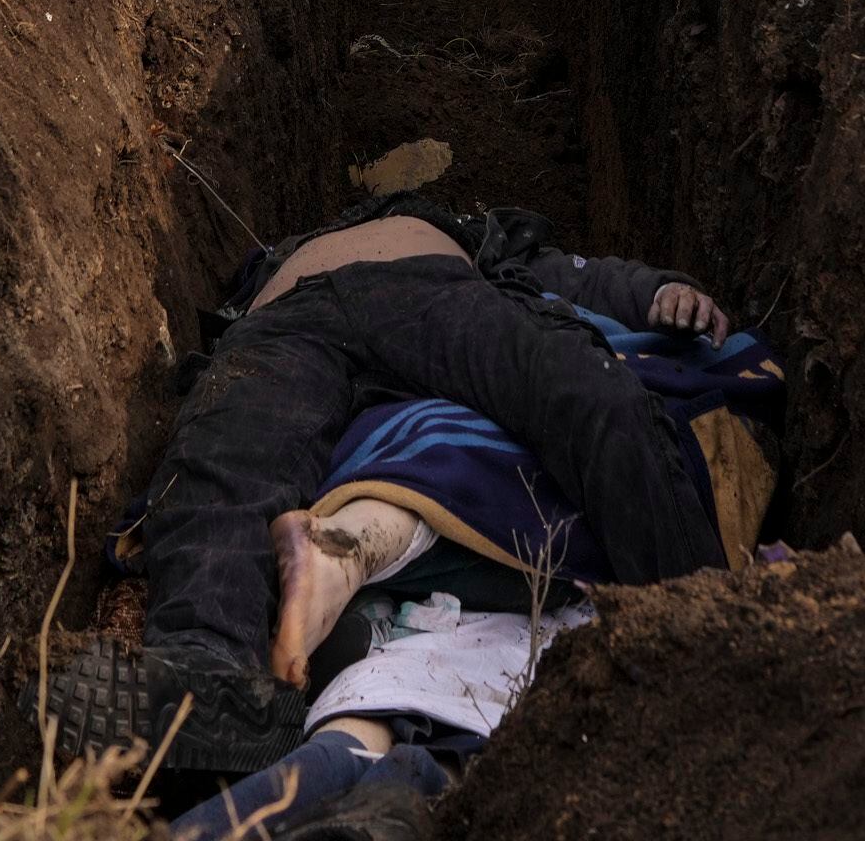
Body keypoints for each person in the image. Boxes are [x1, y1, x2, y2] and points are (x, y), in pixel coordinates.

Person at [43, 196, 743, 776]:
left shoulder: (468, 232)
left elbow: (581, 278)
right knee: (221, 462)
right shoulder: (271, 262)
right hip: (285, 325)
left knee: (592, 395)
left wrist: (656, 292)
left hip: (429, 294)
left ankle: (700, 628)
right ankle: (208, 678)